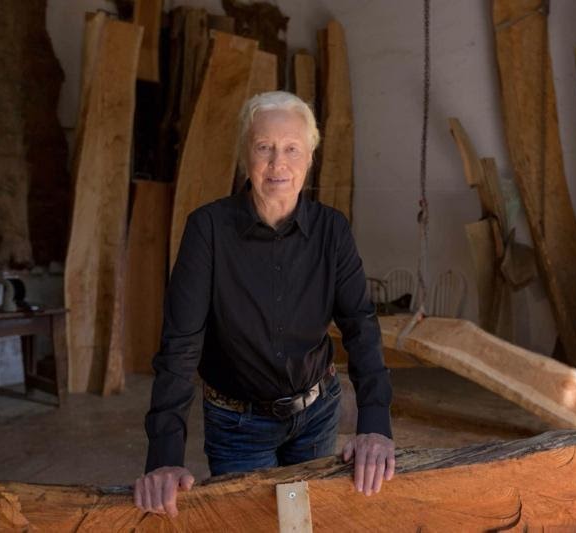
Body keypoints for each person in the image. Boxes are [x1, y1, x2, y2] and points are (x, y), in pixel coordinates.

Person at [134, 91, 395, 517]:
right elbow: (181, 344)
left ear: (310, 157)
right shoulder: (207, 230)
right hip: (238, 425)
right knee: (248, 524)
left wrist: (375, 425)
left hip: (316, 414)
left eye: (292, 148)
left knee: (305, 523)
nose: (278, 163)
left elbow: (361, 326)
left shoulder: (332, 231)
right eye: (264, 148)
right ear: (244, 157)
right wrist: (165, 455)